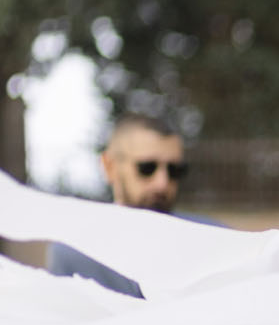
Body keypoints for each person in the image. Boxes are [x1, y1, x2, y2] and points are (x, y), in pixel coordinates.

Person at [48, 114, 209, 296]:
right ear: (110, 167)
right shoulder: (75, 252)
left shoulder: (210, 240)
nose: (162, 183)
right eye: (147, 168)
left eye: (174, 170)